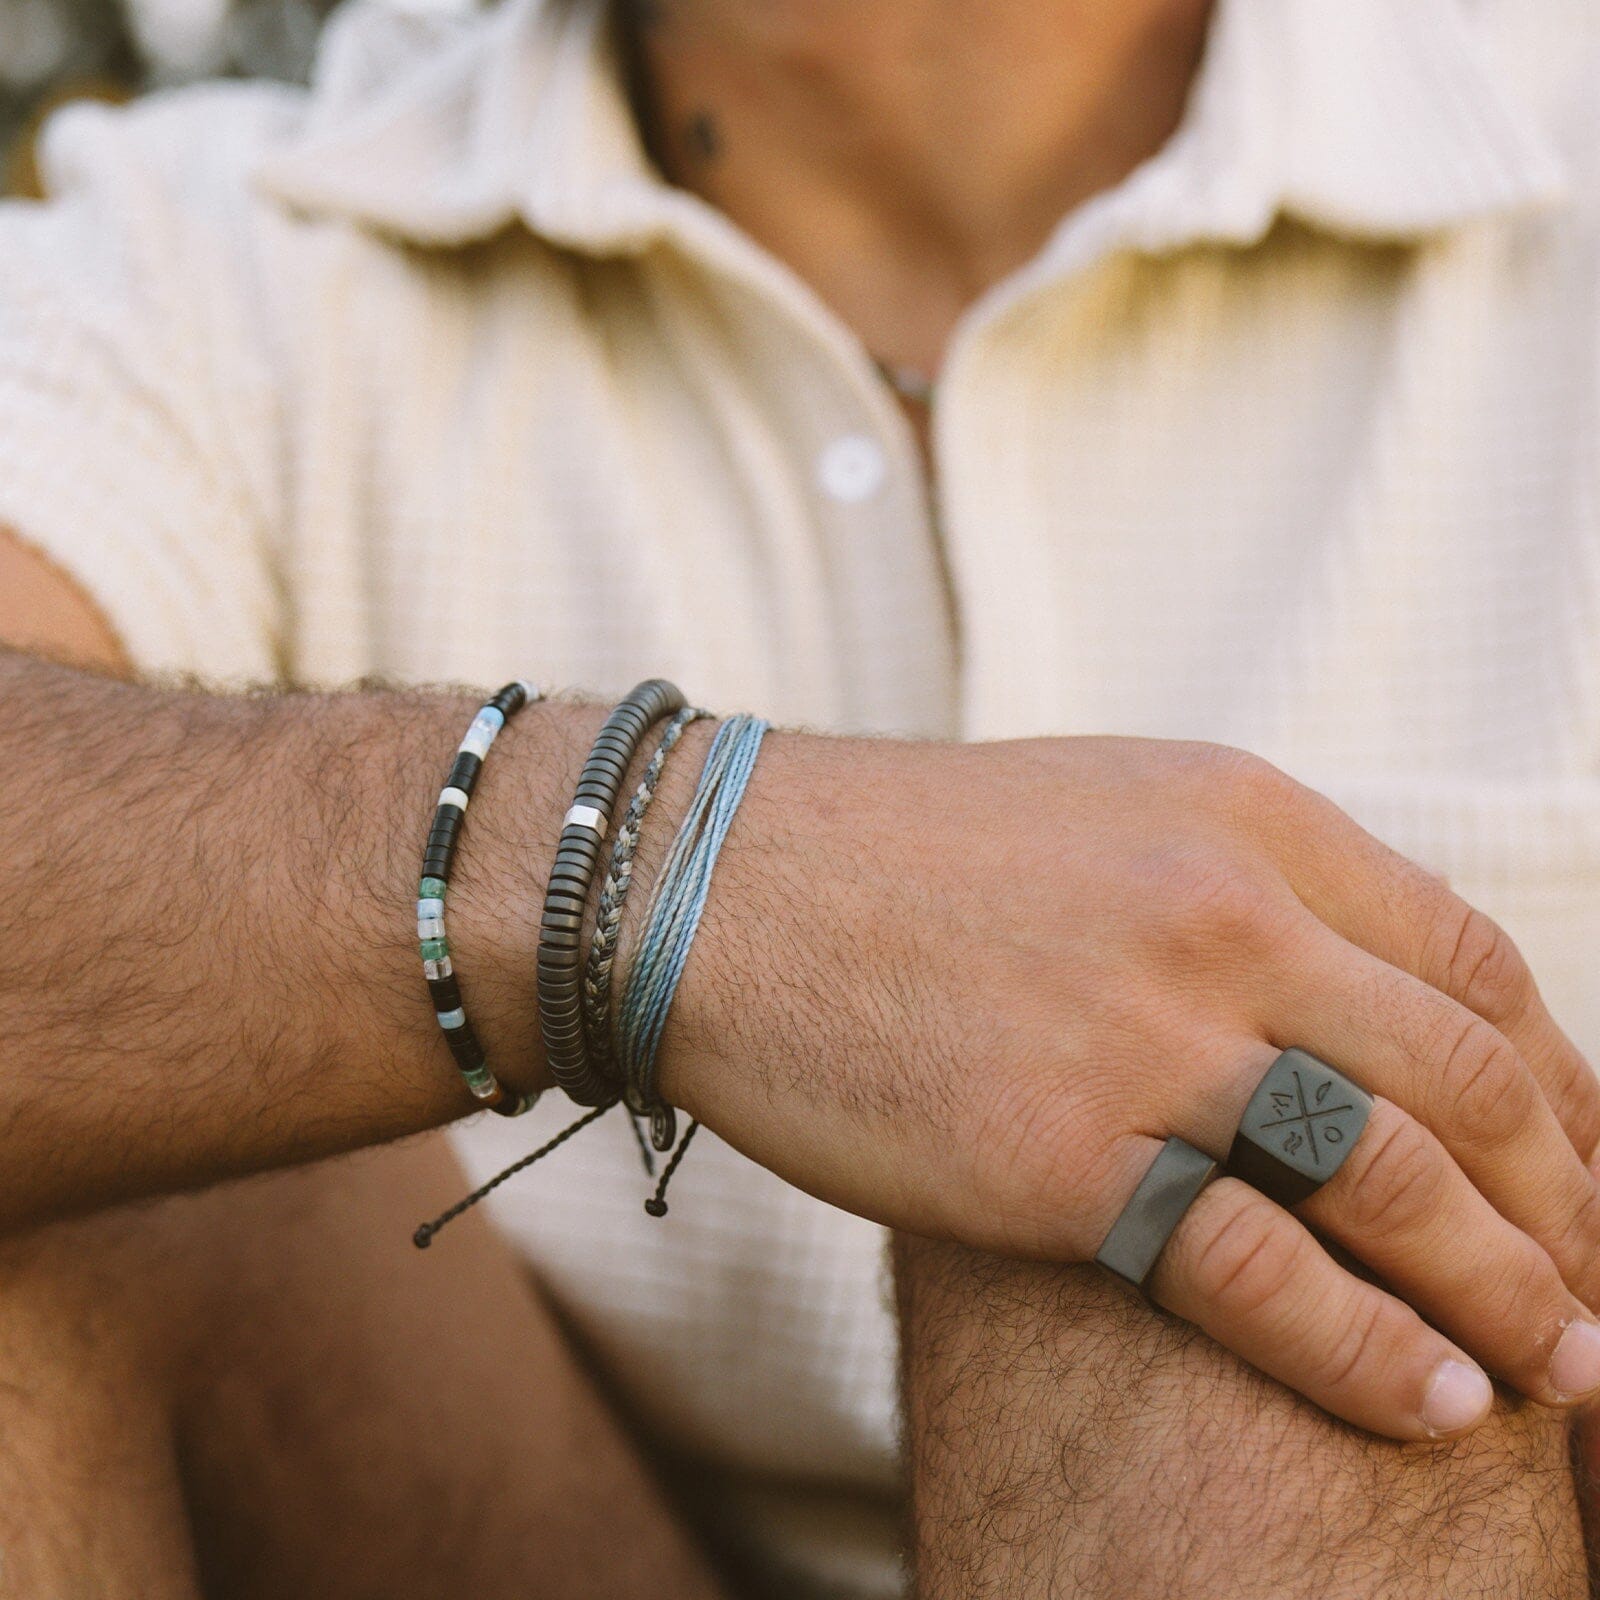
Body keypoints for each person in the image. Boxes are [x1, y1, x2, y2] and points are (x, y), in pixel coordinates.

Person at [1, 0, 1600, 1593]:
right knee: (81, 1132)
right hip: (516, 1523)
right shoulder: (212, 254)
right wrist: (674, 856)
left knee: (1219, 1212)